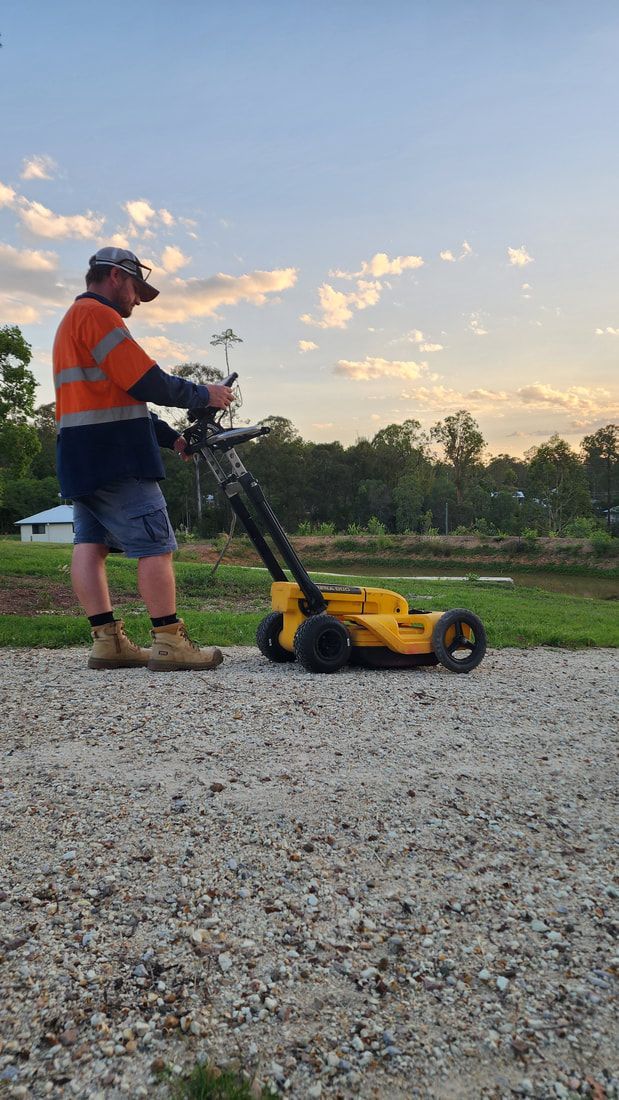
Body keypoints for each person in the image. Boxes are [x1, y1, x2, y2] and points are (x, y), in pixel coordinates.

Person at [53, 246, 234, 671]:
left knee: (90, 544)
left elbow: (118, 396)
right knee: (157, 544)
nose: (137, 300)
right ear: (116, 277)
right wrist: (202, 393)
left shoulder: (70, 323)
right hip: (117, 456)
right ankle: (170, 642)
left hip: (80, 454)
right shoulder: (99, 316)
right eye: (136, 290)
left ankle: (107, 642)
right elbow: (144, 379)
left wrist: (171, 439)